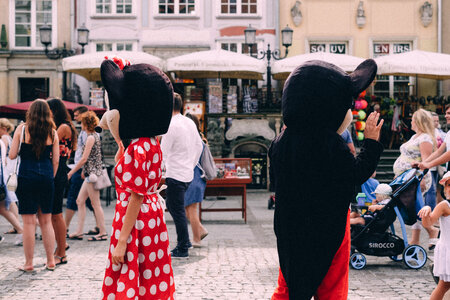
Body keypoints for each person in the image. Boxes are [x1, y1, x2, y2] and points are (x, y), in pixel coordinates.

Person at [270, 59, 382, 299]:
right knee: (331, 285)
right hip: (328, 225)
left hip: (291, 226)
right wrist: (371, 143)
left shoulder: (281, 142)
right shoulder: (330, 144)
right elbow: (356, 174)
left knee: (289, 282)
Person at [98, 57, 175, 299]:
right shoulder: (150, 143)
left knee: (130, 270)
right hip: (151, 218)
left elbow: (135, 196)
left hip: (136, 220)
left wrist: (122, 241)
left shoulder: (137, 149)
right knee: (149, 275)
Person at [9, 99, 59, 272]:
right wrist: (49, 177)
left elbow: (12, 155)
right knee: (46, 221)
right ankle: (51, 260)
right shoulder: (53, 132)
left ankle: (29, 263)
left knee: (29, 223)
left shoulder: (21, 130)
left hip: (26, 176)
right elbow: (56, 160)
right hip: (46, 176)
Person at [161, 93, 203, 258]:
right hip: (186, 172)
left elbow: (163, 153)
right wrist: (190, 165)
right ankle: (185, 242)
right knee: (174, 207)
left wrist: (160, 172)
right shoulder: (189, 123)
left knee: (176, 209)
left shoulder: (170, 125)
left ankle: (183, 245)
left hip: (174, 173)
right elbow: (198, 146)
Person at [394, 108, 439, 247]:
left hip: (417, 178)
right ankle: (416, 239)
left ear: (418, 121)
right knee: (412, 207)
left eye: (413, 119)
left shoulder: (425, 138)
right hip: (408, 178)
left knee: (415, 207)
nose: (411, 122)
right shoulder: (415, 137)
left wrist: (420, 181)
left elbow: (425, 161)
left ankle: (430, 231)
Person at [67, 111, 107, 241]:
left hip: (92, 174)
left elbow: (84, 158)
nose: (81, 124)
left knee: (95, 204)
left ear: (86, 124)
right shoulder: (94, 136)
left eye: (82, 122)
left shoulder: (91, 138)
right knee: (80, 201)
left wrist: (72, 172)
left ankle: (102, 232)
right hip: (90, 173)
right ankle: (79, 231)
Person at [47, 98, 78, 265]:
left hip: (58, 171)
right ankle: (61, 245)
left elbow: (49, 143)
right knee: (53, 214)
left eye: (49, 110)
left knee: (56, 213)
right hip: (58, 171)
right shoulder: (61, 126)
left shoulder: (63, 127)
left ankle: (61, 252)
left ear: (55, 110)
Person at [65, 106, 99, 235]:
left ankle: (67, 227)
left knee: (76, 198)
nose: (75, 118)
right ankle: (97, 228)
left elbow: (87, 156)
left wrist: (78, 171)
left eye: (77, 115)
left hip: (83, 170)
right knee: (84, 201)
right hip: (83, 169)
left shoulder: (90, 135)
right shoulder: (88, 133)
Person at [418, 171, 450, 300]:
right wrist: (427, 209)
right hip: (448, 249)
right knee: (444, 285)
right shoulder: (444, 205)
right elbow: (429, 222)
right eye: (448, 185)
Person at [184, 113, 209, 248]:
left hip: (193, 177)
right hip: (197, 177)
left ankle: (196, 239)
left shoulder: (193, 141)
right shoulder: (200, 139)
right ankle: (200, 230)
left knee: (191, 210)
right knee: (188, 209)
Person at [0, 118, 22, 238]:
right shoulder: (10, 137)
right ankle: (17, 226)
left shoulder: (4, 138)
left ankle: (18, 227)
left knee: (10, 199)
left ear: (3, 128)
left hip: (6, 171)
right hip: (10, 171)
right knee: (11, 199)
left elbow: (4, 156)